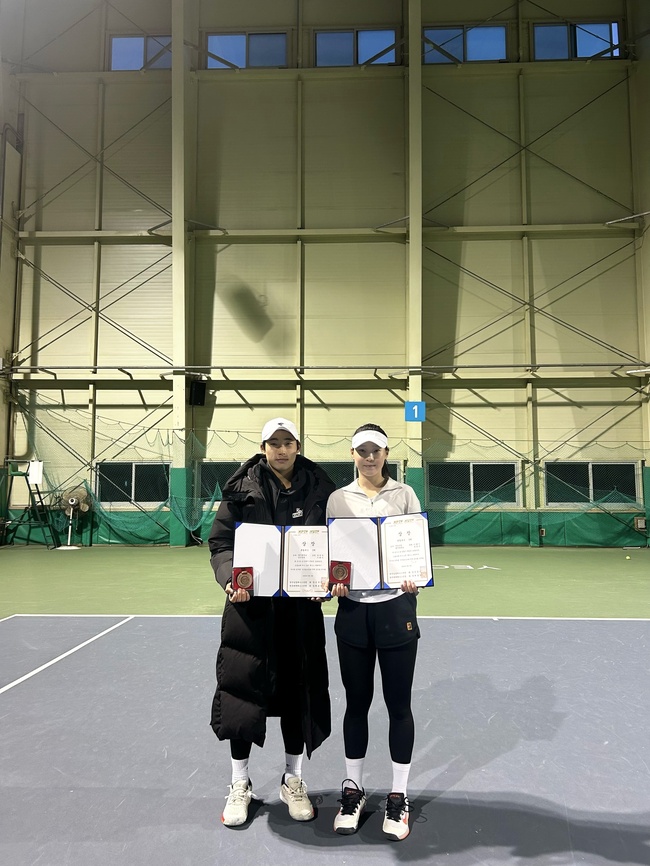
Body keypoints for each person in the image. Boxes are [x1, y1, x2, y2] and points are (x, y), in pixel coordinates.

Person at [208, 418, 335, 827]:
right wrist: (230, 578)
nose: (281, 449)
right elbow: (220, 542)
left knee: (299, 695)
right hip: (249, 612)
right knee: (241, 695)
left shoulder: (321, 489)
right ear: (263, 448)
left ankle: (292, 780)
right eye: (273, 443)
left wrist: (327, 581)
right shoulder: (240, 487)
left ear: (298, 446)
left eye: (288, 442)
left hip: (300, 612)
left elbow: (334, 545)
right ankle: (240, 783)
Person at [326, 423, 422, 841]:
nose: (369, 457)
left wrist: (415, 574)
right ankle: (354, 790)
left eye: (376, 451)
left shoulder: (405, 494)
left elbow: (415, 547)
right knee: (356, 704)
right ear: (352, 454)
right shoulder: (337, 499)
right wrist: (334, 581)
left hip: (395, 609)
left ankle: (399, 796)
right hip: (352, 612)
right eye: (362, 451)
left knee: (399, 706)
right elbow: (332, 554)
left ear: (386, 454)